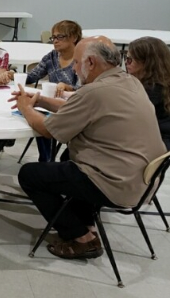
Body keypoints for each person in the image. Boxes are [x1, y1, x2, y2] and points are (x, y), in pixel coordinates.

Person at [13, 36, 166, 259]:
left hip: (115, 183)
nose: (75, 68)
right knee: (70, 156)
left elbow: (47, 130)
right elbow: (76, 106)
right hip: (143, 179)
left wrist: (26, 108)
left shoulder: (94, 91)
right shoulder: (129, 81)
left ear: (91, 62)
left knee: (30, 174)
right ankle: (86, 222)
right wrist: (41, 101)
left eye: (76, 62)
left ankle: (80, 237)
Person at [12, 20, 82, 162]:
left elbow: (84, 90)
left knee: (45, 119)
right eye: (53, 37)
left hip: (74, 108)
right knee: (38, 116)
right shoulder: (52, 57)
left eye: (60, 37)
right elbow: (32, 77)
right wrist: (11, 74)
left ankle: (49, 161)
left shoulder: (81, 60)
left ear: (74, 37)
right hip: (50, 105)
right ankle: (46, 160)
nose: (55, 41)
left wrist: (67, 87)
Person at [126, 36, 170, 150]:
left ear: (146, 63)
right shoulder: (162, 85)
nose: (126, 64)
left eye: (130, 59)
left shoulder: (150, 91)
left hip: (157, 147)